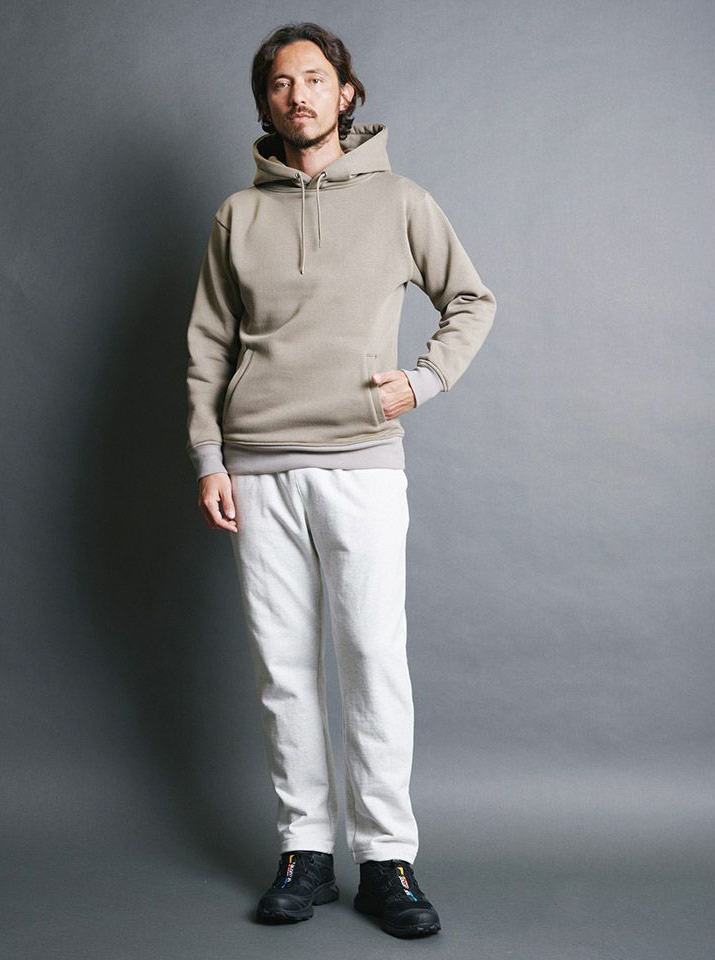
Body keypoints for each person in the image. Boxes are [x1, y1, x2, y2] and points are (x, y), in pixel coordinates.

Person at [185, 21, 496, 940]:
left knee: (372, 662)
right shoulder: (238, 216)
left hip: (361, 461)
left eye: (315, 79)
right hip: (257, 466)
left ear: (346, 93)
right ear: (266, 103)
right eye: (282, 84)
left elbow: (470, 299)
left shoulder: (400, 199)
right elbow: (207, 346)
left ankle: (387, 859)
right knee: (283, 669)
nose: (300, 96)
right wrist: (209, 458)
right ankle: (305, 851)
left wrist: (423, 380)